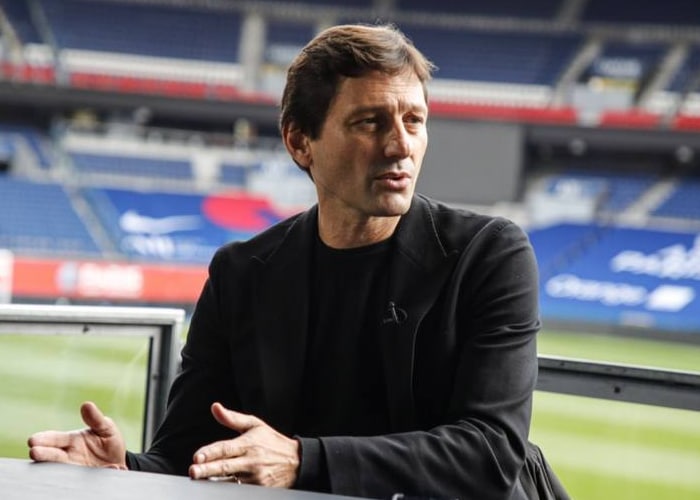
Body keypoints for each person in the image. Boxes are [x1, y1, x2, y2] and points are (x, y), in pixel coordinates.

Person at [28, 23, 567, 500]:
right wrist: (123, 468)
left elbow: (490, 454)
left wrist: (302, 460)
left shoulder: (489, 254)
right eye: (370, 122)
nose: (400, 145)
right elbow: (188, 453)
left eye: (414, 120)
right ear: (300, 142)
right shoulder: (241, 274)